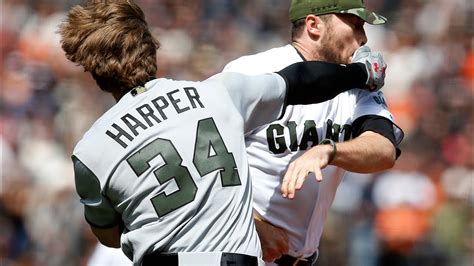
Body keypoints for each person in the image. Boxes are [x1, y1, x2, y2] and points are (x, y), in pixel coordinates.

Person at [59, 1, 386, 265]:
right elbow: (300, 81)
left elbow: (110, 235)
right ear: (152, 47)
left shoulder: (90, 151)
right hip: (235, 259)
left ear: (92, 71)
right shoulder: (217, 94)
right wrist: (360, 72)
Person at [222, 0, 404, 265]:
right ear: (314, 25)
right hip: (242, 253)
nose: (363, 38)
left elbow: (384, 150)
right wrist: (251, 225)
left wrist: (329, 151)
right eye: (354, 25)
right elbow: (201, 159)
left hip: (303, 258)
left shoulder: (356, 84)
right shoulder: (252, 72)